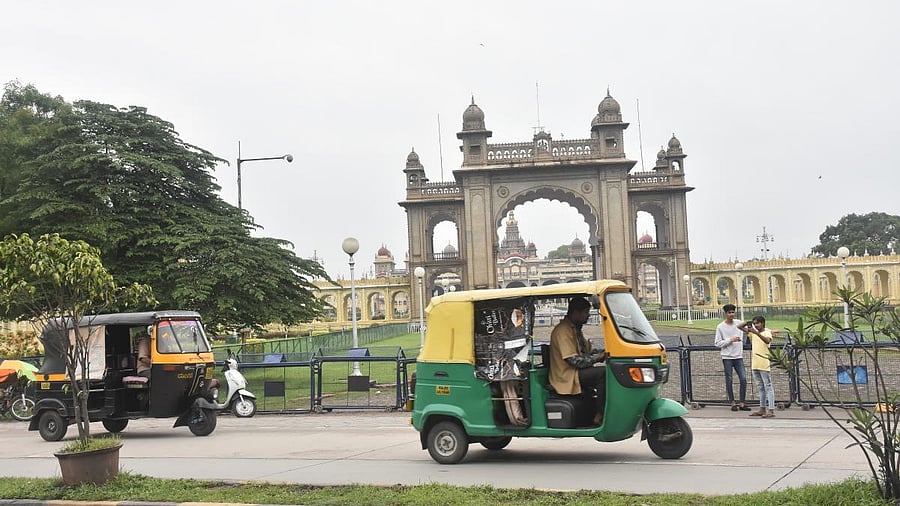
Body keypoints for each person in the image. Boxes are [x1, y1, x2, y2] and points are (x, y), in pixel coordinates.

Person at [549, 297, 608, 425]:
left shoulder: (575, 329)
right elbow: (574, 360)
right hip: (567, 375)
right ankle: (600, 413)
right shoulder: (562, 331)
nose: (587, 316)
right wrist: (598, 358)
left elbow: (586, 352)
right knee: (603, 373)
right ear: (576, 313)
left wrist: (605, 351)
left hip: (575, 372)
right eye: (585, 312)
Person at [714, 304, 749, 411]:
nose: (731, 314)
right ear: (725, 314)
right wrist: (730, 340)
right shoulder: (720, 327)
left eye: (733, 312)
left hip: (738, 356)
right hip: (727, 357)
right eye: (729, 312)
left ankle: (742, 402)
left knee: (743, 379)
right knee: (729, 379)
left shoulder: (739, 323)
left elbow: (751, 329)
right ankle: (732, 402)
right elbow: (717, 343)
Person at [740, 316, 775, 418]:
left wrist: (756, 333)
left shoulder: (766, 332)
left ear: (763, 323)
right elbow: (739, 327)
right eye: (755, 323)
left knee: (768, 386)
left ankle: (771, 409)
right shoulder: (752, 333)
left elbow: (767, 341)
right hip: (755, 363)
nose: (756, 325)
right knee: (760, 387)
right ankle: (762, 408)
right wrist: (748, 322)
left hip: (764, 363)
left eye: (758, 323)